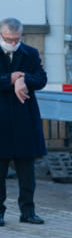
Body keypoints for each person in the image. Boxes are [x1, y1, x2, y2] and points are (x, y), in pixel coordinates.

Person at [0, 17, 48, 226]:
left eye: (16, 39)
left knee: (26, 172)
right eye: (8, 39)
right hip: (1, 121)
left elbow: (41, 79)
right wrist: (11, 79)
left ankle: (28, 212)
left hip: (24, 120)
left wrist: (22, 78)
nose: (13, 43)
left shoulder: (30, 52)